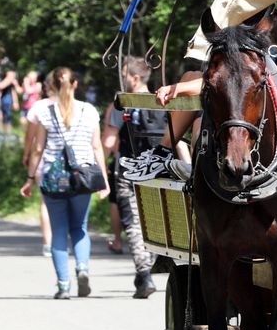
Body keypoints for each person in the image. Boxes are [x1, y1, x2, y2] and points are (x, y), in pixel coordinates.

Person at [20, 67, 110, 299]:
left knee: (58, 231)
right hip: (82, 177)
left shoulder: (46, 112)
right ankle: (82, 268)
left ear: (51, 85)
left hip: (53, 179)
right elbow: (97, 146)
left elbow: (38, 148)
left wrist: (30, 178)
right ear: (75, 84)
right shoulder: (89, 110)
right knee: (79, 228)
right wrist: (104, 181)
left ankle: (63, 285)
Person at [103, 57, 168, 298]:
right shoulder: (163, 102)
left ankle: (144, 273)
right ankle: (147, 266)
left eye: (124, 75)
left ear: (135, 77)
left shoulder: (122, 104)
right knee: (152, 220)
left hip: (127, 170)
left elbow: (108, 142)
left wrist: (101, 166)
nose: (122, 80)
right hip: (157, 170)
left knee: (133, 222)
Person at [22, 83, 54, 257]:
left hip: (44, 159)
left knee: (45, 201)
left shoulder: (39, 107)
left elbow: (30, 136)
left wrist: (26, 155)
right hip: (68, 161)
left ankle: (48, 243)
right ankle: (60, 241)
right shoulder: (73, 105)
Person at [0, 67, 20, 134]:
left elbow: (1, 86)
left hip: (6, 99)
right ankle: (1, 133)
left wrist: (15, 102)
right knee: (0, 116)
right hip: (2, 98)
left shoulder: (11, 76)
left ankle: (6, 134)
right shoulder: (4, 76)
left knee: (6, 118)